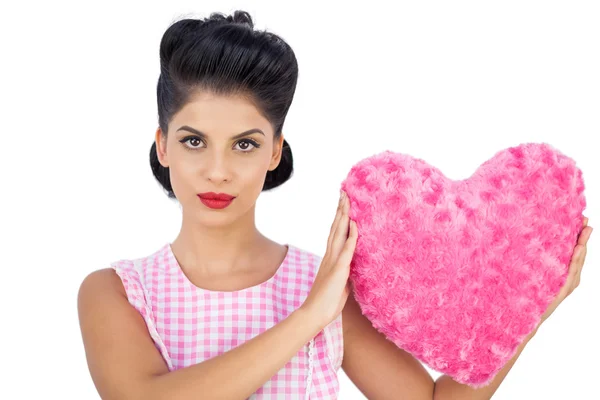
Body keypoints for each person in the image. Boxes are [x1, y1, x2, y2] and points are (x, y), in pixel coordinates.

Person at [77, 10, 593, 400]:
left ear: (275, 151)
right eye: (193, 141)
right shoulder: (117, 293)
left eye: (245, 143)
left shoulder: (325, 285)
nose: (218, 170)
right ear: (162, 145)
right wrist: (309, 318)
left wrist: (534, 304)